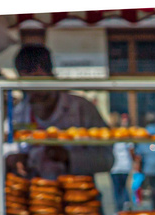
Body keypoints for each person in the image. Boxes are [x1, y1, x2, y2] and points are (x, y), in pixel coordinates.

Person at [12, 45, 112, 180]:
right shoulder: (20, 113)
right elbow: (13, 149)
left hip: (78, 194)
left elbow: (107, 159)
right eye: (26, 81)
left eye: (37, 78)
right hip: (36, 194)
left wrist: (68, 158)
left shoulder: (81, 108)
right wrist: (15, 161)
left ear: (50, 75)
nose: (33, 88)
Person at [109, 112, 138, 214]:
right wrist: (134, 160)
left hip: (114, 165)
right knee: (124, 186)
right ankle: (126, 204)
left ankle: (119, 209)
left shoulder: (110, 134)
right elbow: (131, 149)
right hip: (125, 164)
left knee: (117, 188)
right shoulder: (124, 133)